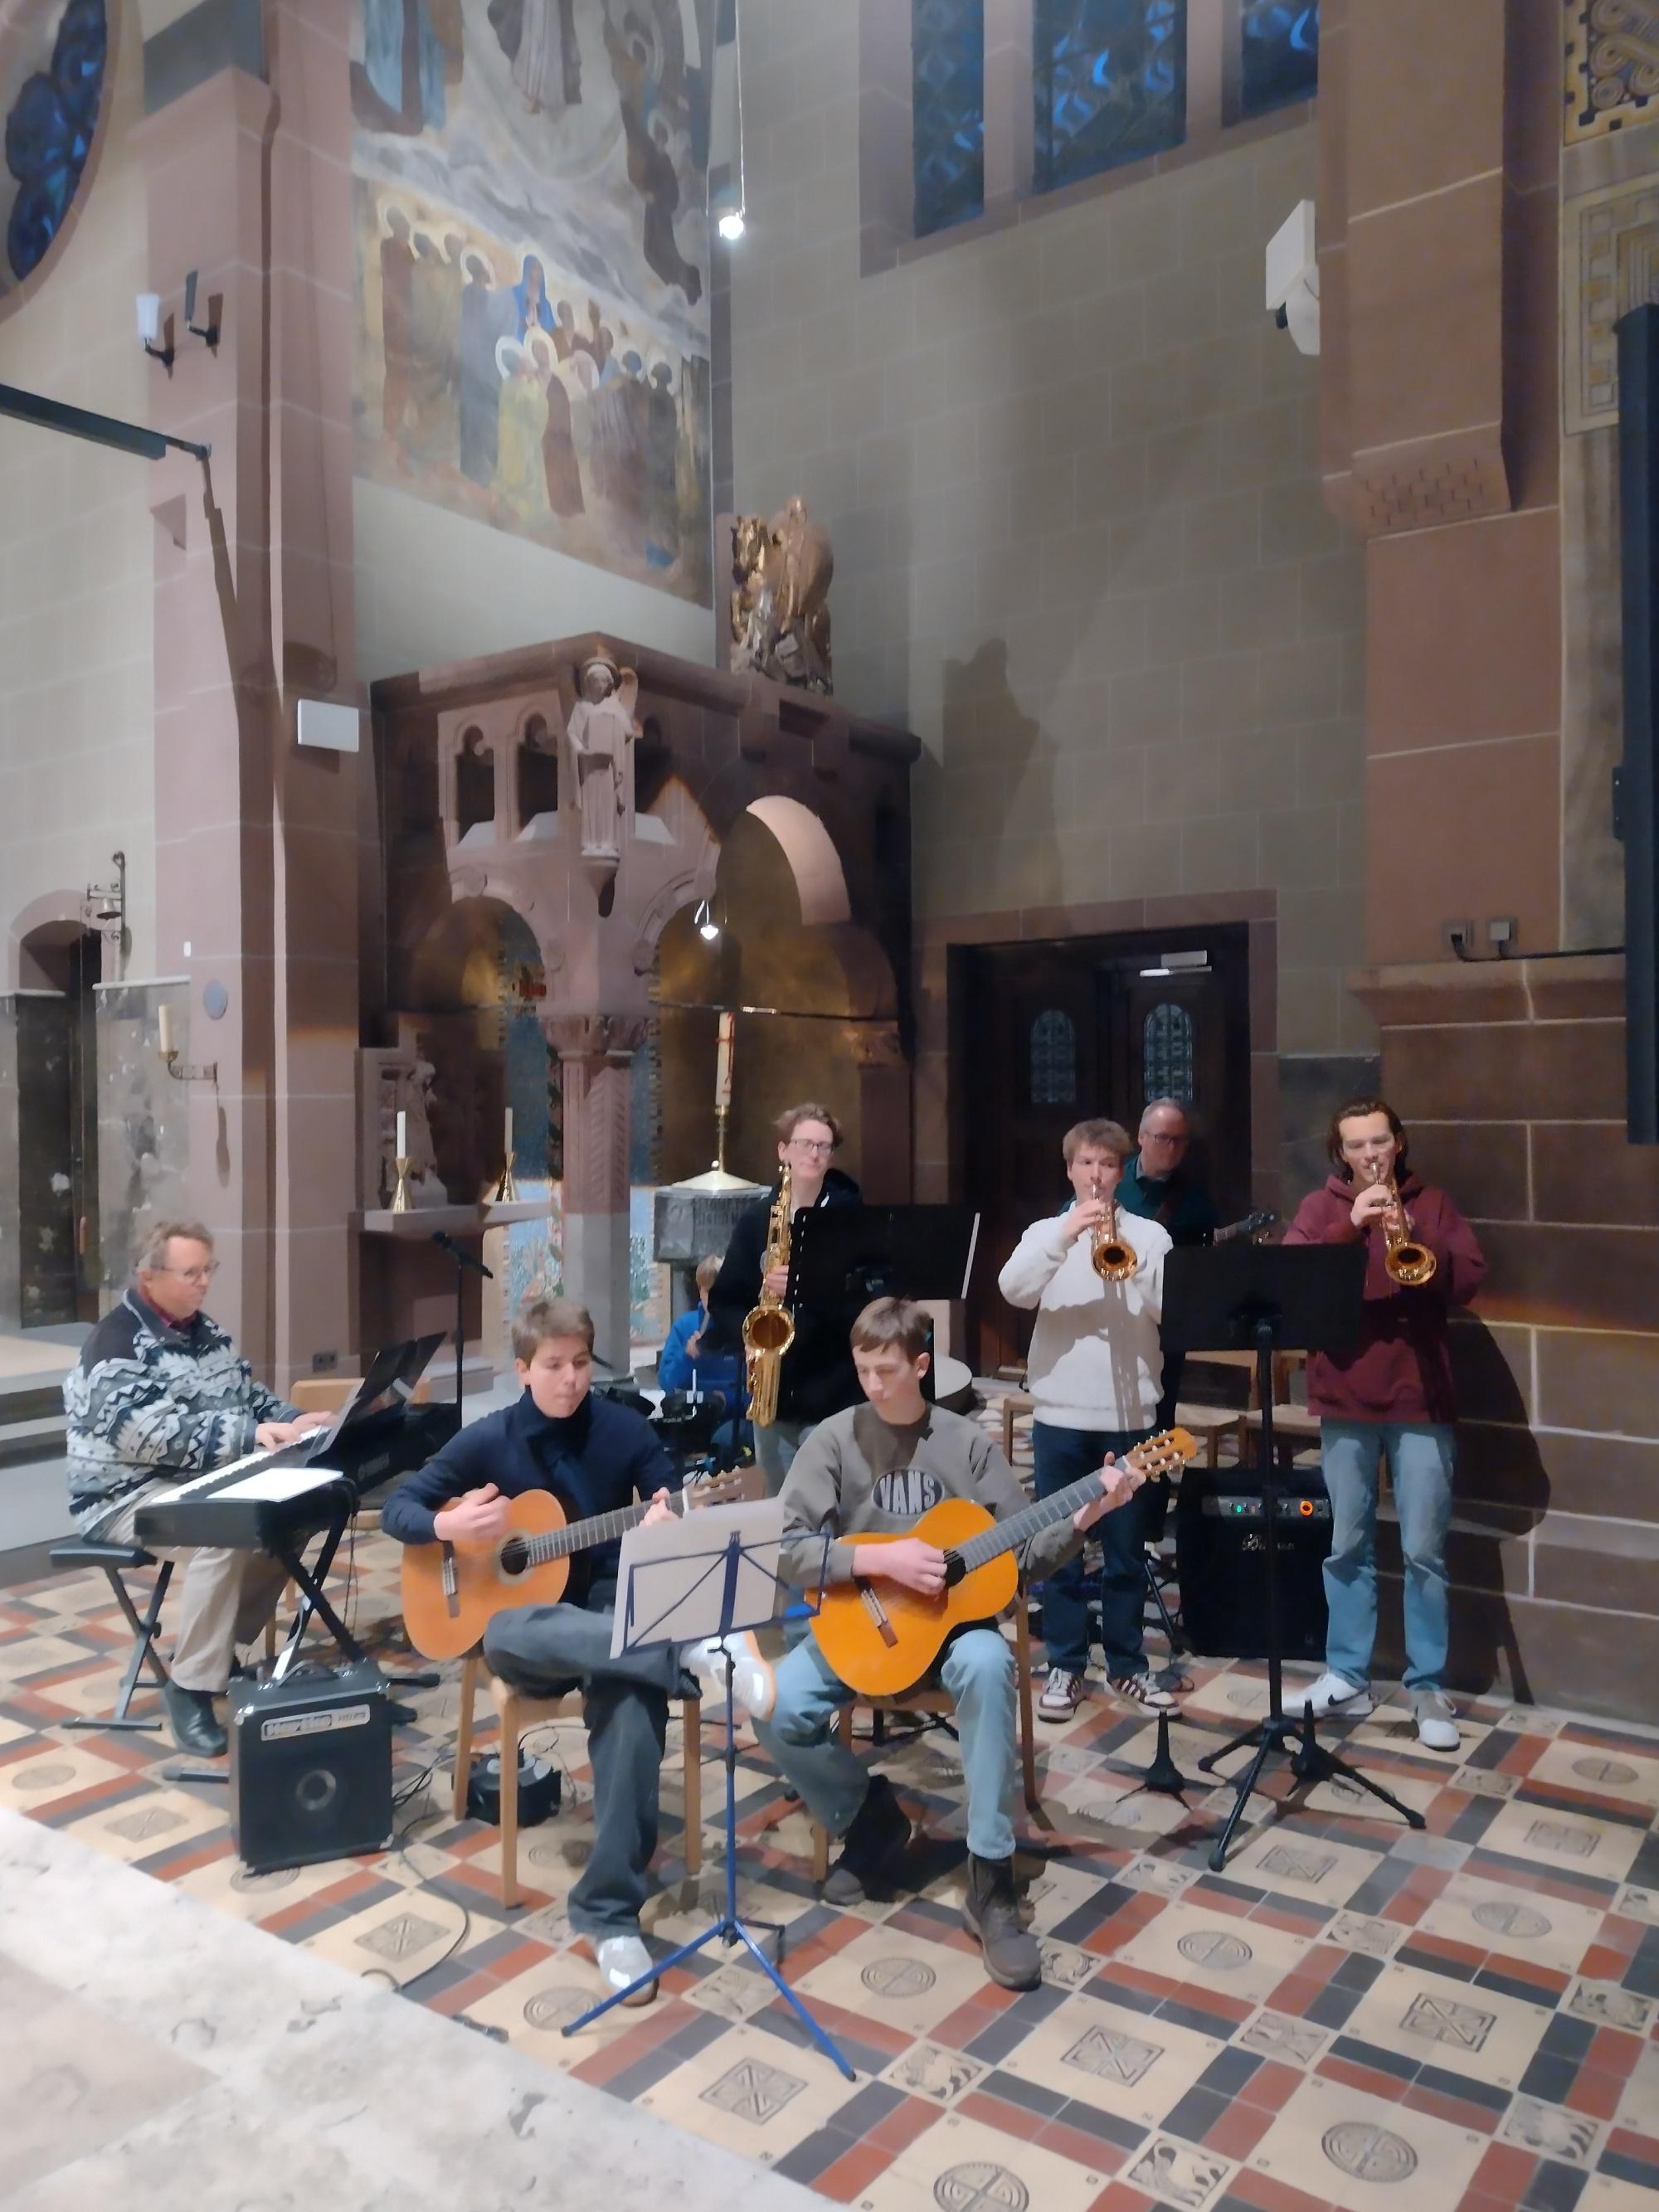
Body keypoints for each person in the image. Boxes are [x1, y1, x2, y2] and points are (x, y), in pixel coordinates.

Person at [727, 1298, 1143, 1988]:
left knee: (989, 1663)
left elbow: (1026, 1553)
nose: (872, 1384)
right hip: (862, 1627)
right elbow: (787, 1548)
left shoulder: (966, 1444)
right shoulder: (832, 1439)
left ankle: (991, 1876)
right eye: (863, 1369)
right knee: (774, 1705)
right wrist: (879, 1559)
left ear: (921, 1365)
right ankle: (868, 1816)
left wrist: (1086, 1514)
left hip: (953, 1632)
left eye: (886, 1370)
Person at [380, 1298, 756, 2005]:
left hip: (609, 1612)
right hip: (530, 1634)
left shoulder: (623, 1427)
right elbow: (399, 1508)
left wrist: (666, 1515)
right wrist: (448, 1525)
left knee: (632, 1700)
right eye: (553, 1365)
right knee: (509, 1630)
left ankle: (609, 1915)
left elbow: (672, 1493)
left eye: (581, 1362)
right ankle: (688, 1656)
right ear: (524, 1369)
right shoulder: (488, 1439)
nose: (571, 1378)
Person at [63, 1221, 331, 1757]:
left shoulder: (203, 1331)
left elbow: (247, 1395)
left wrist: (293, 1419)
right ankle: (189, 1688)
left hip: (195, 1480)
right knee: (222, 1533)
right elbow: (147, 1436)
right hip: (123, 1495)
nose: (204, 1282)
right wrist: (249, 1435)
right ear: (149, 1276)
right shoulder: (114, 1343)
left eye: (209, 1270)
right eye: (191, 1273)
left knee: (289, 1514)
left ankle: (215, 1649)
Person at [1281, 1098, 1486, 1752]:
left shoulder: (1433, 1204)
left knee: (1424, 1550)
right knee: (1347, 1544)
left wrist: (1412, 1234)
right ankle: (1347, 1675)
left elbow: (1469, 1279)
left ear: (1398, 1143)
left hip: (1421, 1398)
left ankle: (1426, 1685)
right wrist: (1349, 1226)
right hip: (1344, 1395)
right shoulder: (1321, 1208)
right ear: (1340, 1153)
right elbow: (1293, 1281)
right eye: (1357, 1145)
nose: (1370, 1154)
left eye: (1380, 1141)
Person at [998, 1118, 1175, 1719]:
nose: (1096, 1175)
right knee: (1061, 1548)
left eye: (1107, 1164)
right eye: (1086, 1163)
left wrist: (1133, 1268)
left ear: (1121, 1172)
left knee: (1126, 1549)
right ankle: (1067, 1664)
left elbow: (1169, 1311)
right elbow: (1014, 1290)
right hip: (1061, 1413)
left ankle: (1127, 1664)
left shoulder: (1150, 1236)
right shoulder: (1044, 1233)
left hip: (1130, 1411)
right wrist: (1065, 1235)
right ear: (1070, 1169)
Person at [704, 1103, 863, 1494]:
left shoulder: (851, 1219)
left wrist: (808, 1285)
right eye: (805, 1143)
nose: (815, 1154)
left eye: (824, 1146)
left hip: (832, 1391)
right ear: (783, 1150)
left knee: (832, 1501)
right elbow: (725, 1301)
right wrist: (748, 1338)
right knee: (783, 1506)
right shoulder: (757, 1220)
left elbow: (866, 1300)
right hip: (773, 1396)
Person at [1117, 1096, 1220, 1451]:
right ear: (1141, 1137)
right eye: (1163, 1138)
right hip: (1109, 1316)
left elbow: (1206, 1264)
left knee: (1158, 1412)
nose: (1171, 1148)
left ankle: (1152, 1480)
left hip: (1163, 1322)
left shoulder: (1195, 1199)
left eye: (1179, 1140)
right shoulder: (1111, 1180)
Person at [657, 1253, 747, 1457]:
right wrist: (687, 1357)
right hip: (692, 1419)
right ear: (700, 1291)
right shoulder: (684, 1326)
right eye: (708, 1292)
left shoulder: (745, 1328)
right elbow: (668, 1384)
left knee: (726, 1438)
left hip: (733, 1420)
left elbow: (757, 1393)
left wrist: (727, 1400)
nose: (714, 1300)